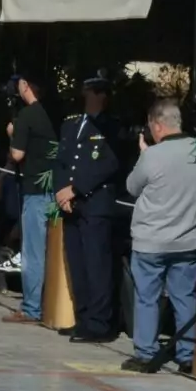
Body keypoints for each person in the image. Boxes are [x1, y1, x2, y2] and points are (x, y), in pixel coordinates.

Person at [121, 99, 196, 373]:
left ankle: (146, 354)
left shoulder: (152, 155)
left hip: (152, 241)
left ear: (157, 125)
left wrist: (144, 154)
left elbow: (132, 187)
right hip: (187, 239)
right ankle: (188, 355)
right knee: (184, 297)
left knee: (147, 297)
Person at [54, 72, 121, 342]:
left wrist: (76, 189)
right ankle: (83, 318)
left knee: (97, 266)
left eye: (93, 92)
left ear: (102, 96)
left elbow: (109, 164)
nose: (88, 97)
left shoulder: (111, 127)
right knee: (77, 265)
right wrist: (61, 192)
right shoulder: (71, 124)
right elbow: (61, 161)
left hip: (95, 203)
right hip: (71, 205)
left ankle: (99, 323)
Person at [2, 70, 57, 325]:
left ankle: (32, 307)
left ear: (25, 85)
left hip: (35, 189)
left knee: (33, 250)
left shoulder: (26, 115)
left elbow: (17, 154)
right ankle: (47, 302)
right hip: (53, 187)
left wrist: (12, 133)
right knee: (48, 249)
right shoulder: (51, 114)